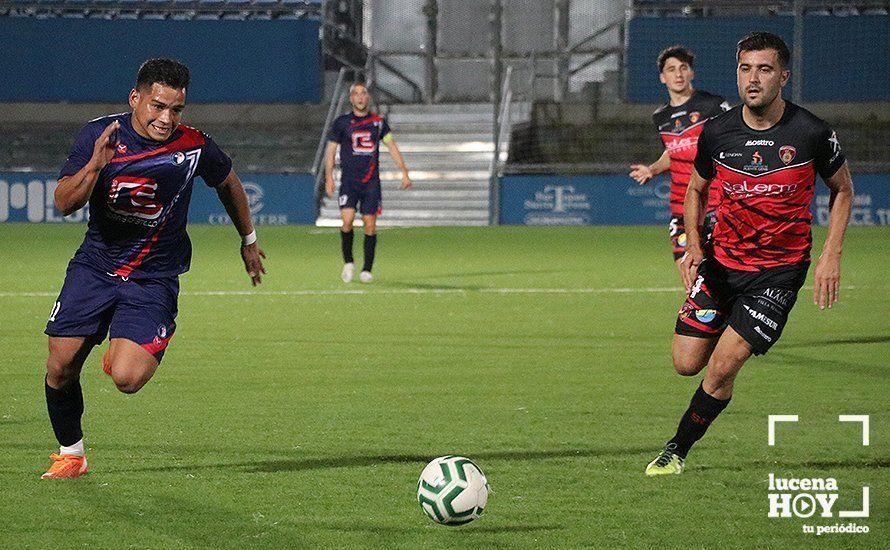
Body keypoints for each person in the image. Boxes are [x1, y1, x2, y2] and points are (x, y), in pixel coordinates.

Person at [41, 58, 266, 478]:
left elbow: (229, 182)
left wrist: (248, 239)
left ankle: (126, 343)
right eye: (158, 106)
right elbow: (63, 203)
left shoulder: (194, 144)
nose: (166, 118)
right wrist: (95, 165)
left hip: (153, 277)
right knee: (60, 366)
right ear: (136, 99)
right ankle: (72, 454)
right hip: (96, 267)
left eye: (176, 109)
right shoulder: (98, 135)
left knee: (127, 378)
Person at [645, 32, 853, 476]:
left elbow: (843, 190)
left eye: (764, 69)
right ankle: (722, 372)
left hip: (777, 273)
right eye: (745, 68)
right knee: (686, 364)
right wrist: (695, 247)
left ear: (783, 75)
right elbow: (696, 190)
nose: (753, 79)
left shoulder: (813, 132)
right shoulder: (717, 132)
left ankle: (676, 450)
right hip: (721, 263)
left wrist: (830, 254)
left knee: (722, 366)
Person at [629, 46, 730, 279]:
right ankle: (702, 312)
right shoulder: (660, 117)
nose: (678, 74)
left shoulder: (713, 105)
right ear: (662, 77)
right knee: (687, 270)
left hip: (716, 201)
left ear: (691, 73)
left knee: (718, 272)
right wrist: (652, 169)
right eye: (671, 69)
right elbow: (672, 152)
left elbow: (734, 142)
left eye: (683, 68)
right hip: (681, 205)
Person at [324, 83, 411, 283]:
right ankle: (348, 262)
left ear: (368, 97)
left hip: (371, 183)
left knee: (370, 225)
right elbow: (330, 151)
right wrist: (329, 177)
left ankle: (367, 269)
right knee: (346, 222)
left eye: (363, 93)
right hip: (349, 181)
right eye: (356, 94)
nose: (360, 97)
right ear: (351, 98)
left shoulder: (378, 123)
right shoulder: (341, 123)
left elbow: (392, 146)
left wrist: (404, 172)